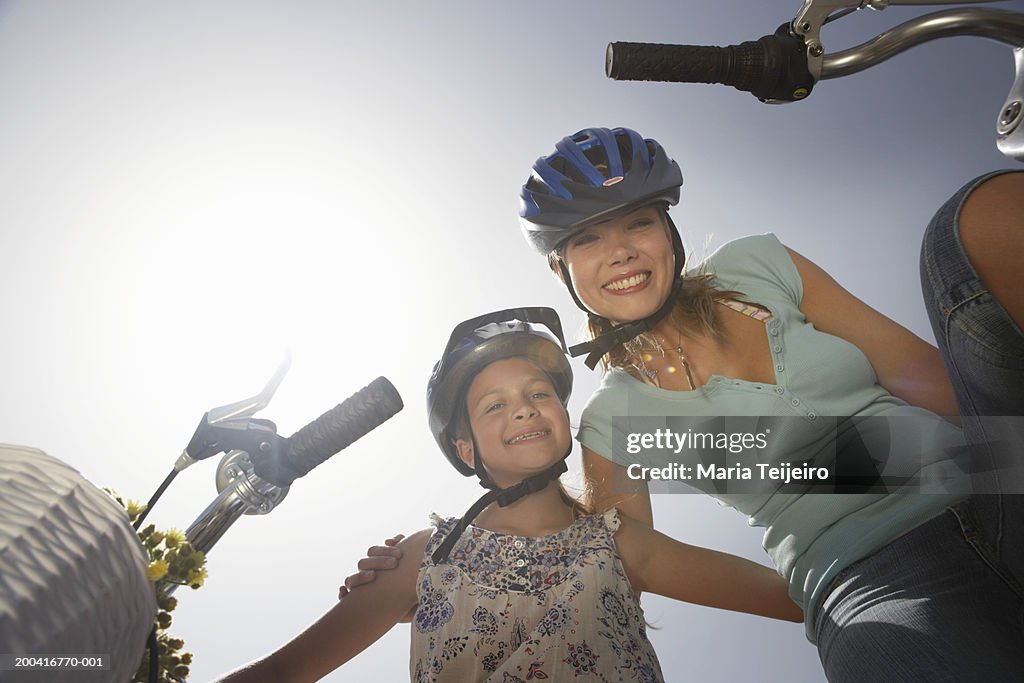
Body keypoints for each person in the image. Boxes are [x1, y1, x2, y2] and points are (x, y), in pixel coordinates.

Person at [346, 128, 1024, 681]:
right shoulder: (617, 419)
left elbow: (925, 379)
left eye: (637, 222)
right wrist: (446, 573)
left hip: (994, 482)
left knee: (968, 224)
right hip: (870, 574)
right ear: (563, 270)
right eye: (586, 238)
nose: (619, 251)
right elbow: (607, 564)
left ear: (667, 231)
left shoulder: (756, 267)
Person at [215, 308, 801, 683]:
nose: (522, 407)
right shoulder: (426, 556)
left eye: (539, 393)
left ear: (565, 417)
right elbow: (284, 671)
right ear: (467, 451)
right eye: (493, 404)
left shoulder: (617, 546)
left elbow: (800, 598)